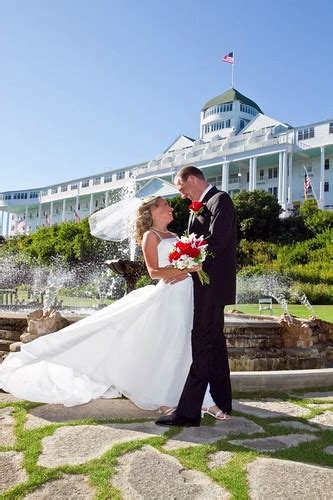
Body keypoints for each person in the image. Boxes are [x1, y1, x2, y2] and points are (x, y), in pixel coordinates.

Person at [0, 195, 214, 412]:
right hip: (169, 296)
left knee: (183, 343)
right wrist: (186, 269)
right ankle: (162, 397)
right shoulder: (151, 236)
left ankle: (196, 395)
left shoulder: (175, 235)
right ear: (153, 211)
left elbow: (176, 267)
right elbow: (154, 272)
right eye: (165, 204)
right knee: (168, 343)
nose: (170, 207)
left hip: (185, 293)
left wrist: (190, 266)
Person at [156, 166, 237, 427]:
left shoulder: (220, 200)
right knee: (213, 342)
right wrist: (184, 262)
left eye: (181, 188)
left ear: (192, 179)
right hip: (202, 284)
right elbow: (195, 243)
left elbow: (217, 241)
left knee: (201, 342)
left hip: (212, 285)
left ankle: (189, 412)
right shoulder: (197, 206)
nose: (181, 195)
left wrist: (186, 264)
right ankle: (222, 402)